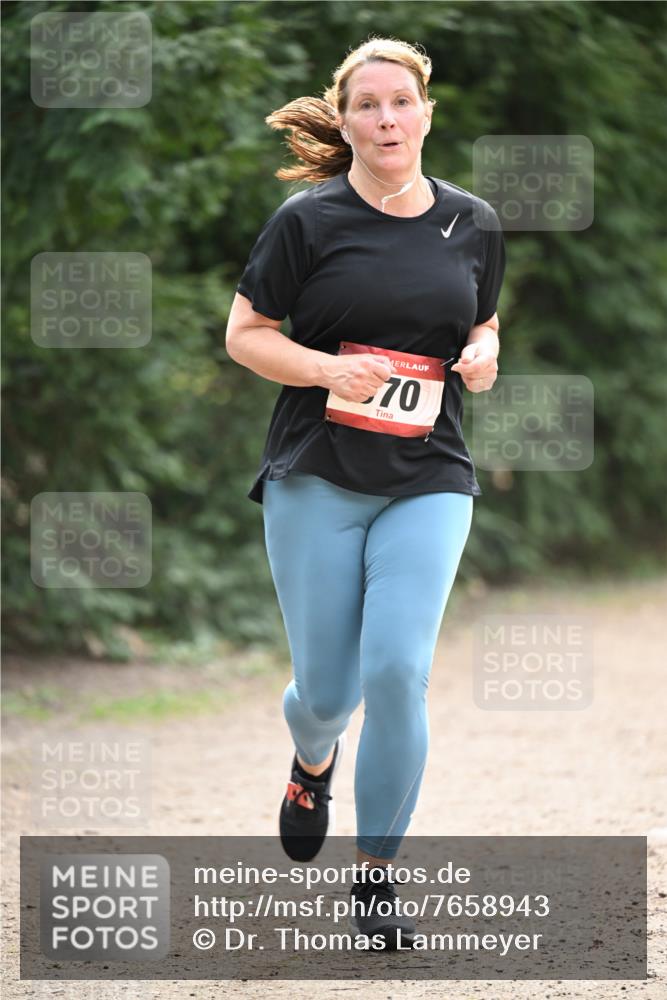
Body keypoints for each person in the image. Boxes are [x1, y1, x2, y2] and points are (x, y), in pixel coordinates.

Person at [225, 36, 506, 950]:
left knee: (396, 673)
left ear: (427, 111)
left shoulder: (473, 223)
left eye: (401, 102)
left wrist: (484, 352)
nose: (386, 118)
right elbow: (245, 333)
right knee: (329, 691)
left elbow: (483, 314)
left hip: (429, 473)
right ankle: (311, 762)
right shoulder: (308, 222)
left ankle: (376, 879)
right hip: (318, 470)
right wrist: (318, 368)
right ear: (342, 122)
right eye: (366, 105)